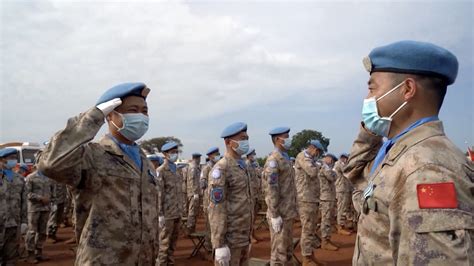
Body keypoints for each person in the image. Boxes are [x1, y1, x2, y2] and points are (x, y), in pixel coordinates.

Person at [343, 40, 473, 264]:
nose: (367, 99)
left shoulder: (428, 169)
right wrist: (370, 130)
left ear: (407, 90)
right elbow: (355, 174)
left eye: (372, 88)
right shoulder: (400, 151)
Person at [37, 82, 160, 265]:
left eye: (144, 111)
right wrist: (94, 116)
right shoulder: (91, 156)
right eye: (133, 110)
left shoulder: (146, 163)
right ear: (110, 115)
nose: (141, 116)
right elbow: (50, 164)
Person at [208, 122, 253, 266]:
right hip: (230, 238)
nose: (245, 142)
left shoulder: (242, 165)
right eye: (242, 139)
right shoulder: (222, 168)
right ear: (228, 142)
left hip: (243, 234)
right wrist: (219, 244)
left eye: (247, 138)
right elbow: (216, 209)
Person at [263, 127, 297, 265]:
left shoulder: (285, 158)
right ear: (277, 139)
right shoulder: (273, 160)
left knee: (288, 251)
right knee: (279, 254)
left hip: (288, 212)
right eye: (286, 137)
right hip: (280, 214)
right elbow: (271, 189)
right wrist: (274, 214)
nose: (289, 140)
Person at [294, 140, 325, 265]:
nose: (317, 154)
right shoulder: (303, 157)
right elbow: (312, 172)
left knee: (311, 229)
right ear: (312, 148)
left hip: (312, 198)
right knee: (307, 229)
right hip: (305, 199)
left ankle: (310, 255)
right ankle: (306, 259)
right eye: (317, 151)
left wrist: (316, 165)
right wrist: (319, 166)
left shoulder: (311, 160)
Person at [0, 148, 27, 266]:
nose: (14, 161)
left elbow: (24, 202)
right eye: (10, 158)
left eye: (14, 158)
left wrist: (24, 221)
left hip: (14, 223)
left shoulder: (19, 178)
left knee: (12, 255)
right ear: (2, 160)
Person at [157, 142, 182, 265]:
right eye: (172, 152)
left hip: (176, 212)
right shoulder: (161, 171)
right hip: (167, 214)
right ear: (165, 154)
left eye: (176, 152)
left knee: (173, 242)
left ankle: (170, 263)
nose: (175, 154)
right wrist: (160, 213)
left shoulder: (177, 170)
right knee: (164, 244)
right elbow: (159, 193)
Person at [25, 169, 53, 263]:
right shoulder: (31, 177)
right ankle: (30, 254)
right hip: (34, 208)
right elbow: (27, 193)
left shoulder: (49, 178)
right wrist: (40, 198)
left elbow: (52, 192)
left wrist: (52, 202)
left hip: (46, 208)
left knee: (42, 231)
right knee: (32, 231)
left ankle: (39, 252)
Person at [201, 146, 221, 255]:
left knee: (217, 225)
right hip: (208, 201)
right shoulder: (206, 168)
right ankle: (208, 246)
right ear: (209, 156)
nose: (217, 156)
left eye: (218, 154)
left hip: (217, 202)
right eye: (215, 154)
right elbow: (202, 184)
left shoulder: (218, 167)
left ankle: (215, 245)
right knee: (209, 225)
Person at [319, 153, 339, 251]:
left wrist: (334, 173)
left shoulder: (327, 168)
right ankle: (325, 241)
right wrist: (333, 173)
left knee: (329, 219)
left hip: (329, 197)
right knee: (326, 220)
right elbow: (333, 177)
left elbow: (335, 176)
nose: (332, 162)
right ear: (326, 158)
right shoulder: (324, 168)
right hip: (325, 197)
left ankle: (327, 238)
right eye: (331, 159)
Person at [244, 148, 263, 244]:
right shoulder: (246, 165)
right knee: (250, 216)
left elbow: (259, 176)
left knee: (254, 215)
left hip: (256, 193)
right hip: (250, 194)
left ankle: (253, 232)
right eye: (252, 155)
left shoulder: (254, 165)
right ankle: (249, 236)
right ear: (248, 156)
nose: (254, 156)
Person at [334, 153, 353, 235]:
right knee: (341, 208)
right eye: (344, 158)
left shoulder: (344, 164)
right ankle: (340, 226)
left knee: (345, 208)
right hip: (341, 189)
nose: (345, 159)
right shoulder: (339, 164)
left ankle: (343, 224)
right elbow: (347, 171)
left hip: (346, 189)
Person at [186, 152, 202, 235]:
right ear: (197, 158)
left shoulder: (195, 167)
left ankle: (192, 228)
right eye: (199, 159)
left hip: (195, 193)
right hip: (193, 193)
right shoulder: (193, 167)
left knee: (195, 211)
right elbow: (192, 180)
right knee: (192, 211)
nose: (200, 160)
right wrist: (195, 192)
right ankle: (190, 228)